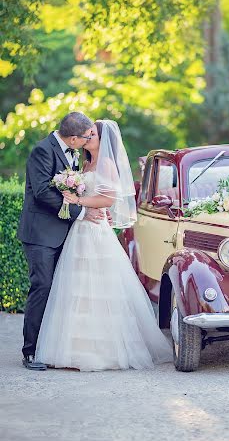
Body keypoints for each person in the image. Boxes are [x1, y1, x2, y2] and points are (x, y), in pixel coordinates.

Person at [35, 119, 172, 371]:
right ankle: (72, 349)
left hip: (96, 231)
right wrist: (79, 203)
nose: (88, 138)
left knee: (99, 286)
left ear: (103, 139)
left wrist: (79, 200)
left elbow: (108, 199)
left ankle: (102, 351)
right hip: (80, 230)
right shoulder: (83, 163)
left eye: (93, 135)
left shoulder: (107, 163)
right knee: (76, 286)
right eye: (86, 135)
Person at [18, 111, 110, 371]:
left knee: (62, 291)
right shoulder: (42, 151)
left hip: (66, 233)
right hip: (41, 236)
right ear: (72, 139)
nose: (89, 140)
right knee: (43, 287)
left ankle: (52, 347)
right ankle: (31, 351)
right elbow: (43, 193)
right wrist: (81, 212)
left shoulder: (75, 155)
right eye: (86, 137)